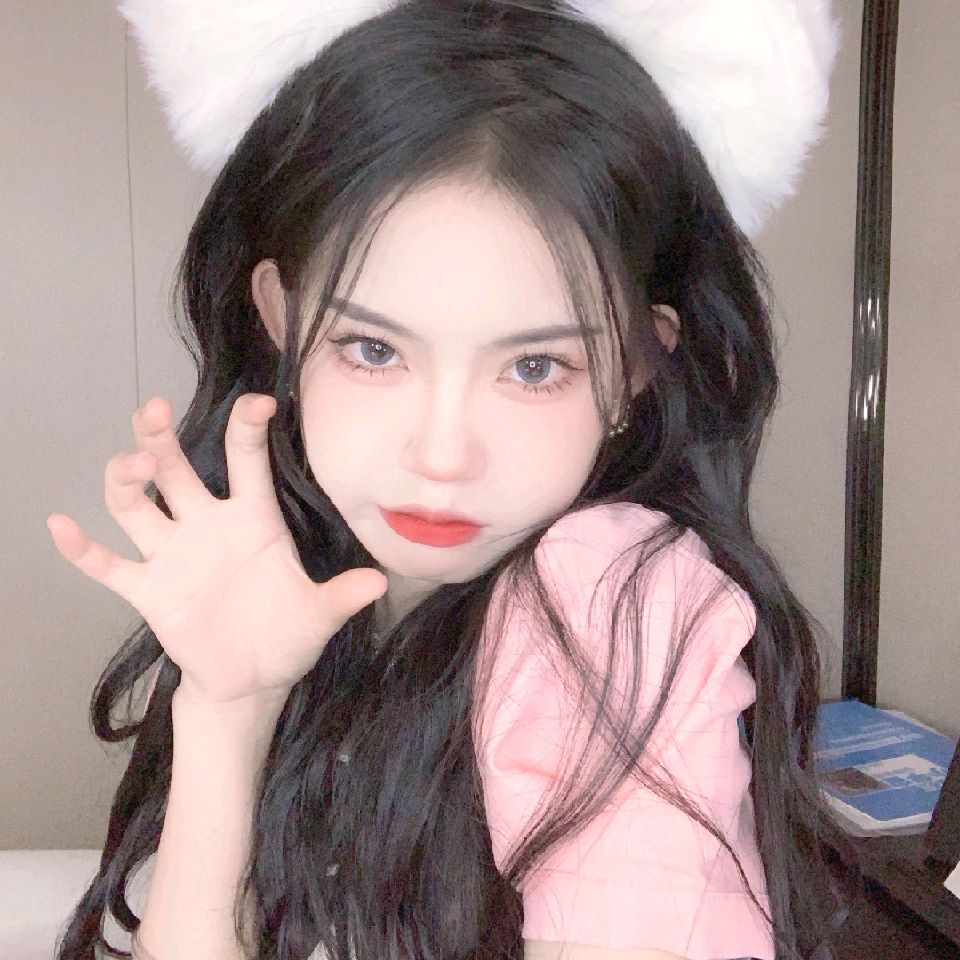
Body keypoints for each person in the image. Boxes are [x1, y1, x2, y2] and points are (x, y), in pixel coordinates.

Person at [45, 2, 862, 958]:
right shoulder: (295, 574)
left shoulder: (605, 598)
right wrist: (229, 707)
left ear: (636, 367)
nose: (442, 455)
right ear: (281, 316)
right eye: (372, 349)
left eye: (534, 367)